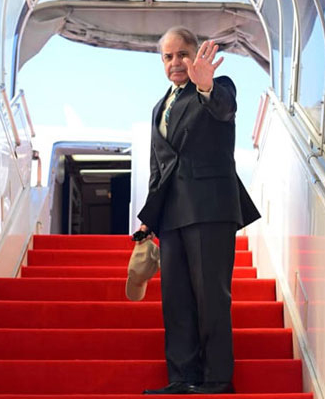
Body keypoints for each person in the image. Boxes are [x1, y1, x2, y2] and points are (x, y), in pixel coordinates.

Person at [136, 26, 260, 395]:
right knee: (175, 300)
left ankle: (217, 379)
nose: (175, 62)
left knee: (210, 297)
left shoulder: (218, 87)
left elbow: (223, 109)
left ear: (196, 56)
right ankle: (182, 377)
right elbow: (159, 167)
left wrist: (205, 86)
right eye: (168, 56)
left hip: (209, 208)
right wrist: (148, 218)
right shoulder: (159, 107)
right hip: (171, 214)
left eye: (182, 54)